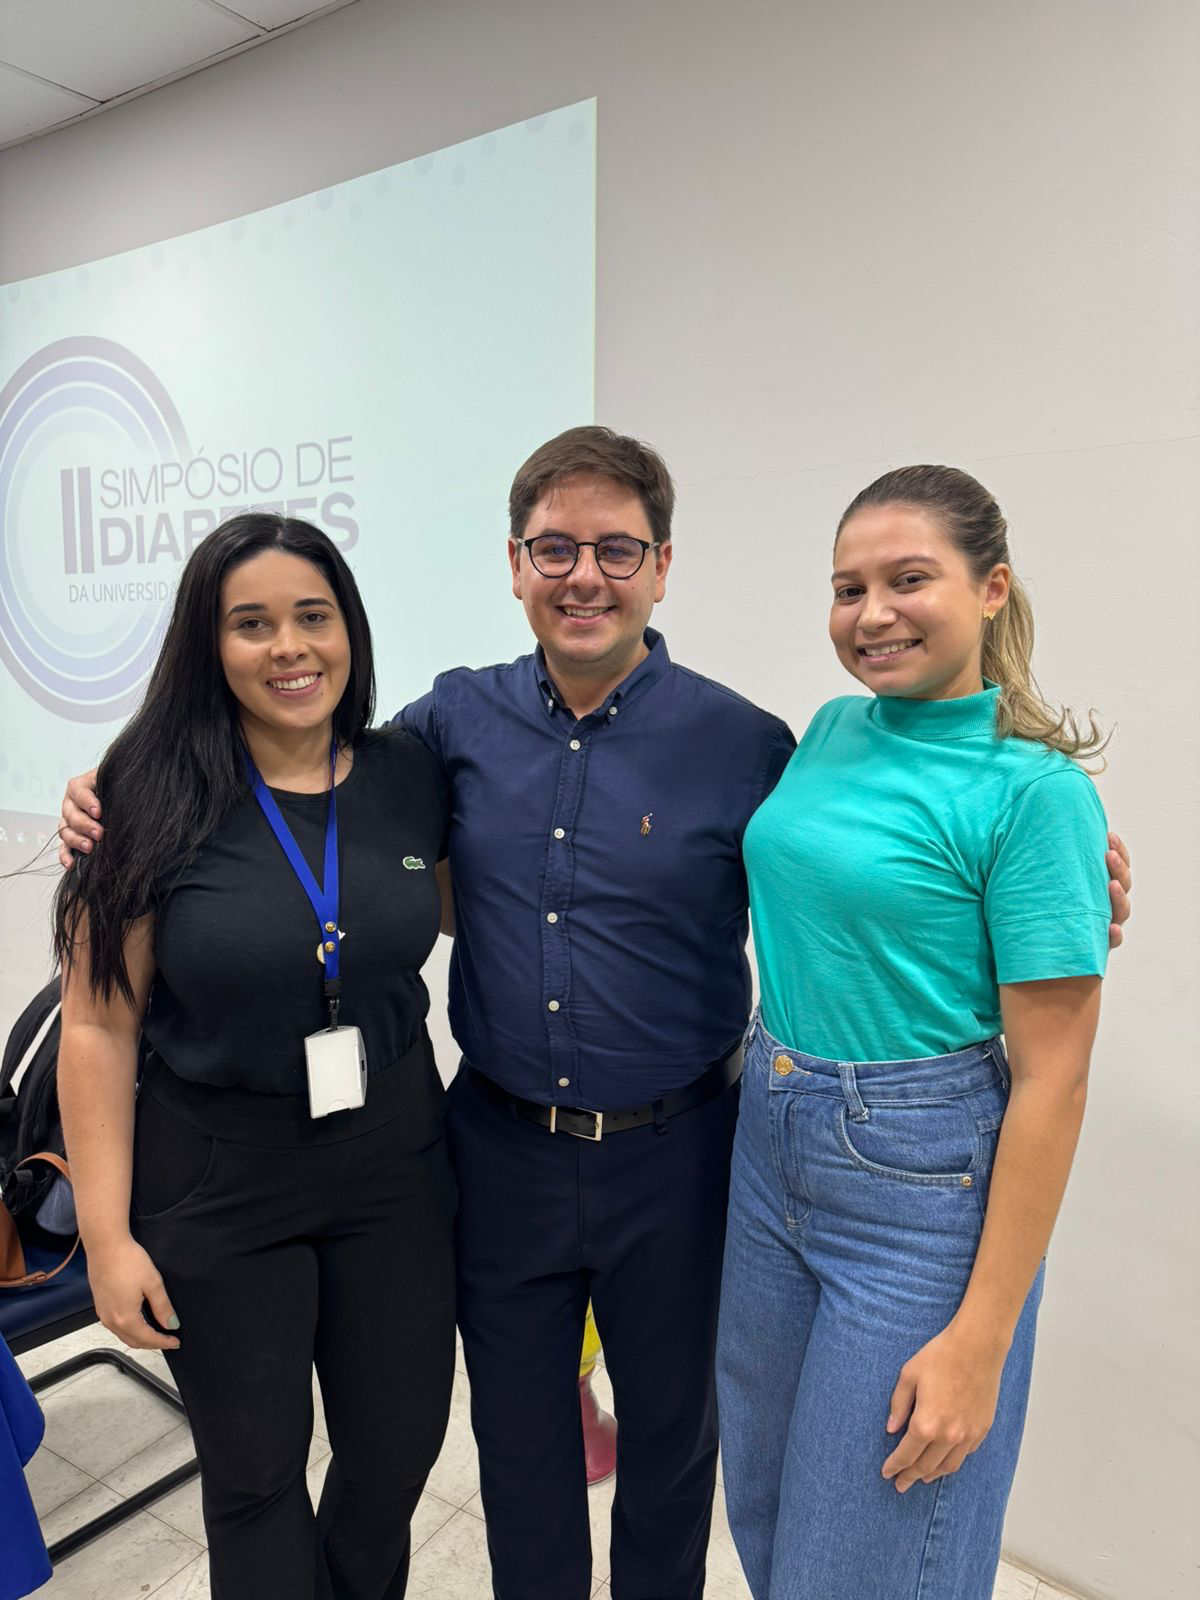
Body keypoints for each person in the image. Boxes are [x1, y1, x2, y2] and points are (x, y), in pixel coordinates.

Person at [57, 432, 1133, 1600]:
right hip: (498, 1150)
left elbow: (857, 866)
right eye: (555, 548)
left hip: (688, 1156)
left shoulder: (754, 746)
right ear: (515, 565)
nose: (585, 575)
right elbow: (327, 803)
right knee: (521, 1452)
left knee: (673, 1452)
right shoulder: (443, 730)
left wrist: (1067, 884)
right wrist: (114, 797)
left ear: (662, 566)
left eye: (616, 548)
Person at [716, 465, 1112, 1600]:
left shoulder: (1035, 792)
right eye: (848, 588)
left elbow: (1055, 1084)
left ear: (991, 589)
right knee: (768, 1507)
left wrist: (983, 1339)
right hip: (771, 1136)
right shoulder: (837, 727)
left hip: (919, 1183)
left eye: (907, 580)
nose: (871, 612)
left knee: (870, 1553)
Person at [53, 514, 456, 1600]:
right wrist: (105, 1237)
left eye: (313, 616)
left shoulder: (406, 772)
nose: (290, 647)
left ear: (349, 630)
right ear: (208, 645)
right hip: (218, 1180)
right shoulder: (144, 792)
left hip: (395, 1172)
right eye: (252, 623)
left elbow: (480, 903)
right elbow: (97, 1024)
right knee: (255, 1478)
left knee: (392, 1459)